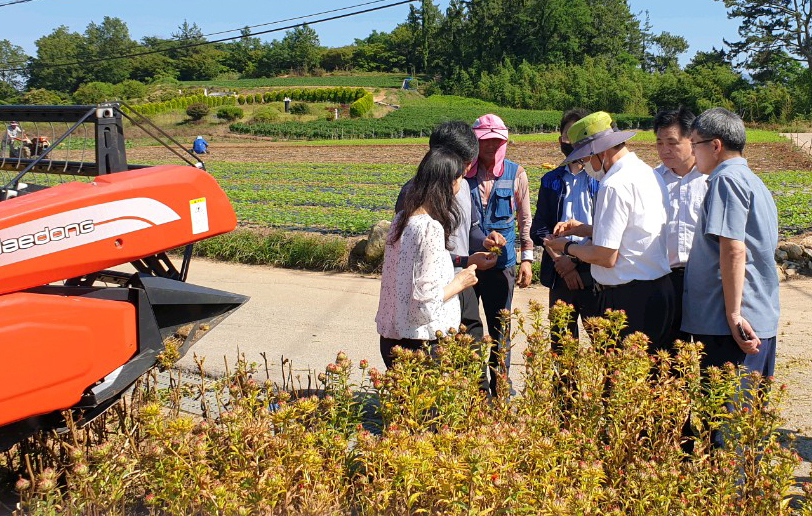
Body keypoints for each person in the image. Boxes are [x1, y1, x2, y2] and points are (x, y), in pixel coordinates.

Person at [544, 111, 675, 351]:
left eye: (586, 158)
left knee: (621, 379)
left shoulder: (614, 184)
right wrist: (584, 229)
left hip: (629, 298)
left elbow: (605, 256)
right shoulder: (649, 174)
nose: (587, 166)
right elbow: (634, 231)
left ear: (600, 153)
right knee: (651, 378)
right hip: (658, 290)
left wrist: (565, 247)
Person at [682, 107, 779, 385]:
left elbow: (734, 248)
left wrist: (734, 315)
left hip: (729, 326)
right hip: (757, 315)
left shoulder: (726, 180)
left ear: (715, 145)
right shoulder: (753, 181)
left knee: (725, 416)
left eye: (694, 144)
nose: (692, 152)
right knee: (747, 418)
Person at [395, 121, 505, 342]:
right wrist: (465, 261)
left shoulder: (462, 186)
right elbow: (416, 255)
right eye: (463, 163)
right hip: (432, 294)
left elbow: (472, 227)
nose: (466, 170)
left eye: (467, 164)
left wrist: (484, 240)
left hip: (462, 285)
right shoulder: (412, 195)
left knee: (472, 357)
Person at [376, 147, 479, 369]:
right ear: (449, 183)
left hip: (392, 339)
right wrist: (460, 282)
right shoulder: (430, 228)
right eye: (460, 177)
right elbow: (426, 302)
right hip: (422, 345)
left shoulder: (402, 219)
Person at [466, 114, 534, 396]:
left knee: (500, 331)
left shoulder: (516, 173)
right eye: (485, 142)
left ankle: (501, 387)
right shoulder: (463, 174)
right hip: (469, 265)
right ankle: (476, 388)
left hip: (502, 266)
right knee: (469, 330)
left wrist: (527, 259)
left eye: (497, 142)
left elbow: (525, 218)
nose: (491, 147)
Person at [530, 108, 600, 343]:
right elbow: (539, 228)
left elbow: (607, 227)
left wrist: (577, 261)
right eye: (569, 135)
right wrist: (562, 262)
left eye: (579, 135)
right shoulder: (551, 180)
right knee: (561, 345)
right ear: (560, 139)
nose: (573, 142)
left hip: (595, 267)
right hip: (560, 270)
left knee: (603, 345)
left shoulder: (601, 180)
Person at [653, 107, 708, 351]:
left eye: (672, 142)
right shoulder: (653, 180)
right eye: (659, 142)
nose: (665, 150)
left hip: (705, 279)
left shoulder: (711, 178)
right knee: (669, 353)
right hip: (667, 278)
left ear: (692, 140)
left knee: (709, 352)